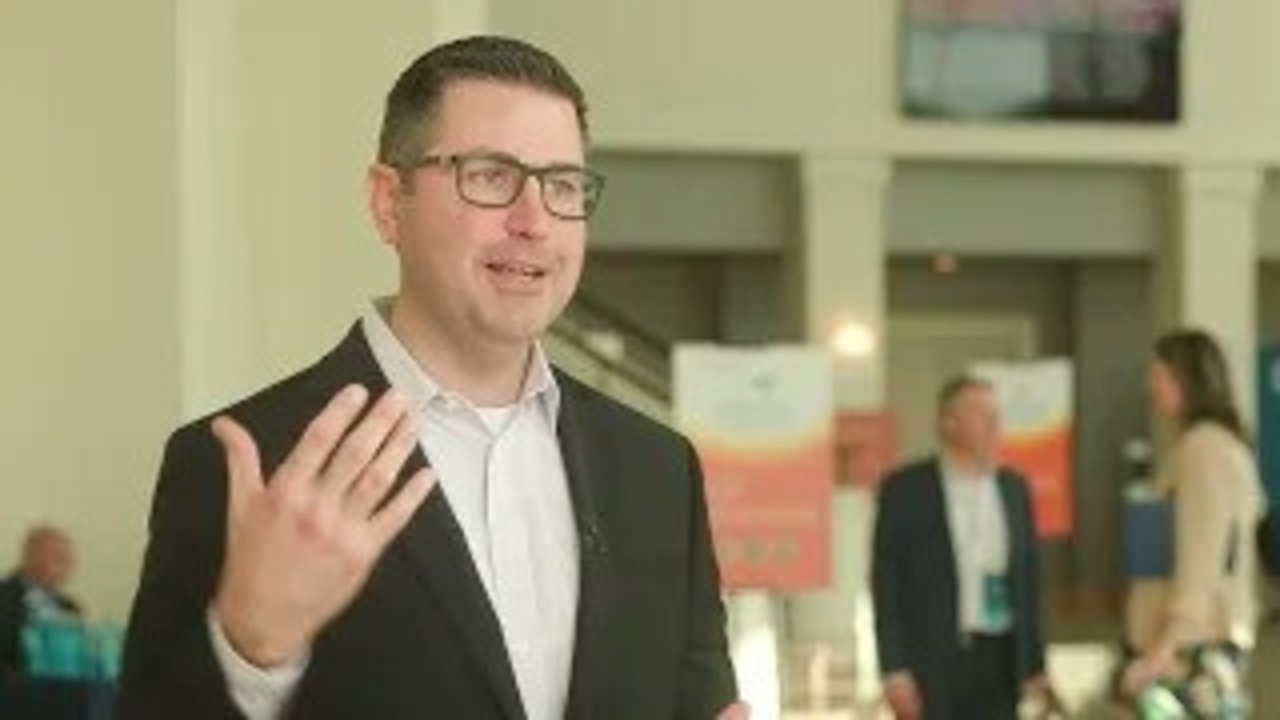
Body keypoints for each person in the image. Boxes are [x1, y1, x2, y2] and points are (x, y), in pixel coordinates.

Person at [116, 35, 742, 720]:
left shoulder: (657, 470)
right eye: (491, 176)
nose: (534, 222)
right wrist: (251, 652)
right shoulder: (252, 463)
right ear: (390, 202)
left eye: (563, 186)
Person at [872, 376, 1048, 720]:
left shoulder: (1013, 488)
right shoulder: (906, 490)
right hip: (933, 660)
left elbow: (1028, 579)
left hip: (1000, 657)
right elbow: (887, 583)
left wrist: (1035, 663)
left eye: (996, 415)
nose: (994, 425)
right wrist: (894, 670)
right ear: (949, 423)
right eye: (982, 415)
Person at [1121, 329, 1263, 714]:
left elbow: (1202, 554)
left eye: (1159, 376)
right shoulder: (1212, 446)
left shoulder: (1205, 450)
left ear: (1185, 380)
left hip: (1191, 650)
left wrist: (1164, 647)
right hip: (1198, 644)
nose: (1151, 387)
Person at [0, 525, 83, 680]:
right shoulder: (4, 597)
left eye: (68, 560)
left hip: (64, 688)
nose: (67, 567)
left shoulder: (71, 608)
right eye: (58, 558)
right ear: (30, 556)